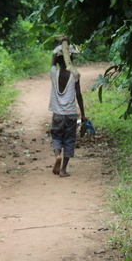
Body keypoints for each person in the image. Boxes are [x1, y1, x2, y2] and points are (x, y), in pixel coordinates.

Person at [49, 40, 86, 178]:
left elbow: (52, 63)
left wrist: (57, 51)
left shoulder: (54, 73)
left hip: (57, 115)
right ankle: (63, 169)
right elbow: (79, 95)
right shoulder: (75, 75)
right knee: (69, 140)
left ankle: (57, 155)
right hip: (71, 115)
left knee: (56, 137)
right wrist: (83, 114)